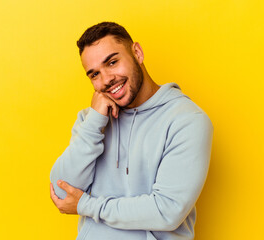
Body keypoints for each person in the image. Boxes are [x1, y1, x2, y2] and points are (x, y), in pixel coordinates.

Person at [50, 22, 213, 240]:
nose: (106, 79)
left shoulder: (187, 120)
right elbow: (61, 193)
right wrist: (94, 122)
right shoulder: (92, 121)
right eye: (94, 74)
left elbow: (167, 211)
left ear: (137, 53)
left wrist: (86, 205)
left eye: (112, 62)